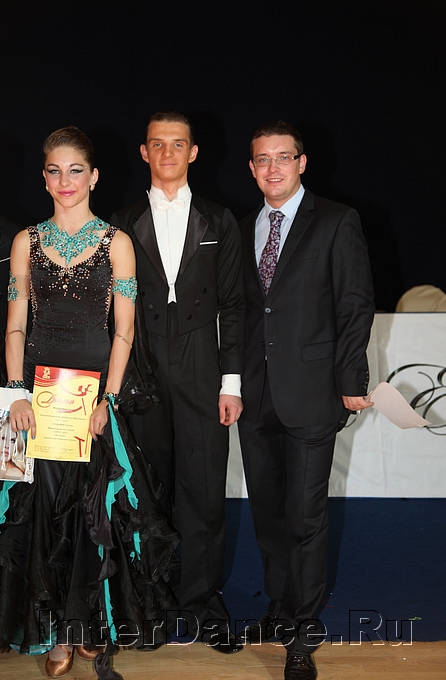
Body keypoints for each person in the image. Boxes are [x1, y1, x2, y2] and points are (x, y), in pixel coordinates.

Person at [0, 126, 178, 679]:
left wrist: (110, 399)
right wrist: (16, 393)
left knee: (90, 514)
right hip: (36, 399)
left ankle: (83, 627)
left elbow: (124, 331)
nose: (65, 181)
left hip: (92, 401)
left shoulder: (116, 243)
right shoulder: (26, 242)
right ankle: (53, 631)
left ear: (94, 176)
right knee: (40, 516)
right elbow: (14, 325)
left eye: (76, 170)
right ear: (44, 178)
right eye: (55, 171)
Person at [237, 121, 375, 680]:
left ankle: (302, 631)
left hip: (314, 392)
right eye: (262, 159)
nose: (272, 168)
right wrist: (231, 385)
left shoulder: (337, 221)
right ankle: (278, 603)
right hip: (255, 395)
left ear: (301, 163)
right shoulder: (243, 227)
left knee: (306, 515)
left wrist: (351, 380)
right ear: (252, 168)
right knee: (268, 511)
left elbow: (355, 305)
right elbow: (245, 314)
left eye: (283, 157)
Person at [110, 110, 244, 653]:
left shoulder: (220, 220)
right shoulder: (120, 222)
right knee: (148, 491)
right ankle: (151, 604)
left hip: (201, 367)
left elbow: (234, 306)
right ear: (144, 152)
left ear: (193, 152)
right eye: (157, 144)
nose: (168, 153)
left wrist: (231, 383)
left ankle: (203, 605)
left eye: (178, 144)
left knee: (205, 491)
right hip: (142, 368)